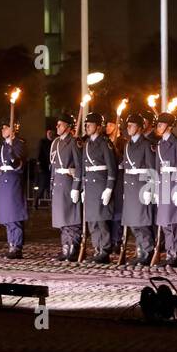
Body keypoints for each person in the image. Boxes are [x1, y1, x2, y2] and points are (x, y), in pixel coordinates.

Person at [78, 111, 118, 263]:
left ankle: (105, 250)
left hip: (101, 185)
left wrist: (109, 188)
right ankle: (97, 248)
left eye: (90, 124)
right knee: (92, 221)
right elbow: (83, 168)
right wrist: (82, 187)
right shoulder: (87, 144)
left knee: (101, 220)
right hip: (90, 185)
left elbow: (111, 167)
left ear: (99, 127)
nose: (87, 127)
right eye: (86, 124)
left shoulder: (104, 143)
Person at [153, 112, 177, 267]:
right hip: (163, 184)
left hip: (173, 185)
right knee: (165, 223)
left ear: (168, 126)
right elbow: (157, 168)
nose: (158, 127)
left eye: (161, 124)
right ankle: (170, 251)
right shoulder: (160, 144)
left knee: (173, 222)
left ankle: (176, 252)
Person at [119, 112, 157, 266]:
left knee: (142, 223)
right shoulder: (128, 145)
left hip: (141, 187)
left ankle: (148, 252)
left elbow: (151, 168)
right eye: (127, 125)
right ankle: (140, 251)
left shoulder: (147, 144)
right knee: (134, 223)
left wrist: (149, 189)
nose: (128, 127)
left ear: (140, 127)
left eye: (132, 125)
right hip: (130, 187)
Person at [49, 114, 83, 261]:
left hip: (69, 184)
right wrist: (52, 183)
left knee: (71, 220)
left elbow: (79, 166)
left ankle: (73, 249)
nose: (57, 127)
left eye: (61, 125)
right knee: (62, 220)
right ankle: (65, 248)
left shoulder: (74, 142)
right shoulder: (56, 142)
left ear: (68, 127)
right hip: (58, 182)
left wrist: (76, 186)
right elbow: (53, 165)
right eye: (57, 124)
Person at [0, 119, 27, 259]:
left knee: (14, 217)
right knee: (7, 218)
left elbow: (18, 164)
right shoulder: (2, 145)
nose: (2, 130)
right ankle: (11, 245)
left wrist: (11, 152)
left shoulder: (19, 144)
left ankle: (17, 247)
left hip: (13, 183)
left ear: (12, 130)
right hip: (3, 183)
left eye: (5, 128)